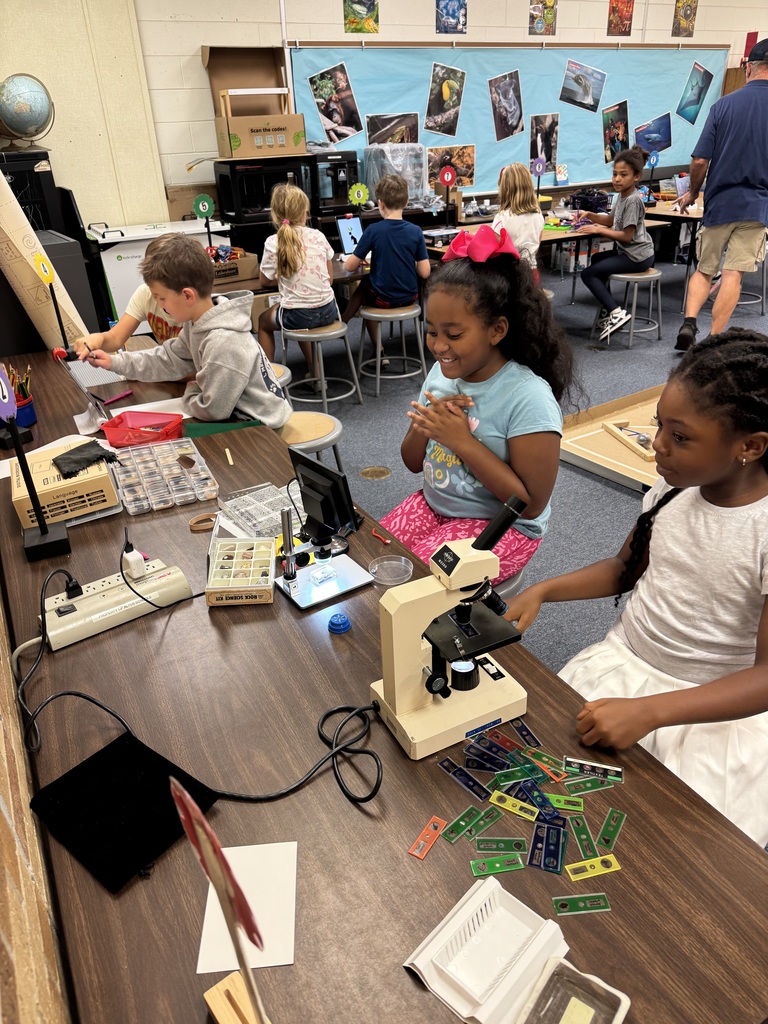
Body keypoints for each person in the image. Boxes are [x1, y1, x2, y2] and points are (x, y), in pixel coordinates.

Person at [503, 329, 768, 847]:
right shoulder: (672, 488)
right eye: (658, 425)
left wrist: (652, 711)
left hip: (708, 712)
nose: (658, 445)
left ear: (750, 446)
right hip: (621, 668)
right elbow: (625, 568)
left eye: (681, 437)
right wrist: (542, 591)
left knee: (667, 851)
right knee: (544, 802)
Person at [380, 225, 574, 584]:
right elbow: (412, 461)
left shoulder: (527, 396)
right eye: (432, 331)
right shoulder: (441, 375)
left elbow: (530, 505)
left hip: (504, 525)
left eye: (454, 334)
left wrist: (461, 441)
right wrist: (427, 426)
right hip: (436, 506)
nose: (439, 346)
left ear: (497, 330)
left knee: (413, 585)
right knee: (373, 558)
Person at [83, 232, 291, 428]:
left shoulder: (223, 341)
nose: (160, 305)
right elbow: (167, 359)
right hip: (237, 415)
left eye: (162, 298)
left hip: (260, 427)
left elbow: (213, 410)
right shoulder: (197, 324)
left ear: (187, 296)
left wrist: (192, 389)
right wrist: (115, 362)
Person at [675, 38, 768, 352]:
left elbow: (700, 160)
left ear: (748, 68)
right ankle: (713, 341)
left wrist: (693, 193)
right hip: (757, 207)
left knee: (705, 270)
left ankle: (689, 323)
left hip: (720, 203)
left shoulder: (723, 106)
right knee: (732, 275)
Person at [258, 182, 337, 380]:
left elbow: (264, 281)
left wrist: (286, 277)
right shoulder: (318, 236)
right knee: (301, 308)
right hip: (329, 311)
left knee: (263, 321)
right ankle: (316, 372)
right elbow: (330, 279)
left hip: (298, 315)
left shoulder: (273, 242)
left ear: (275, 215)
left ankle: (268, 380)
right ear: (304, 213)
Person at [342, 174, 431, 345]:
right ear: (406, 203)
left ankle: (376, 347)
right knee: (368, 284)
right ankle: (346, 324)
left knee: (365, 289)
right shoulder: (416, 231)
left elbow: (349, 267)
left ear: (380, 204)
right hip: (410, 298)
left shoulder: (373, 230)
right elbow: (425, 272)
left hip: (383, 300)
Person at [578, 144, 655, 342]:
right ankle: (607, 310)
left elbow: (626, 236)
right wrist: (590, 215)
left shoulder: (633, 200)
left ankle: (616, 312)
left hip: (638, 256)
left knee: (588, 274)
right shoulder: (622, 197)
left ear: (636, 177)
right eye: (615, 174)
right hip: (629, 252)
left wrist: (598, 230)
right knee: (597, 259)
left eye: (623, 175)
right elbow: (610, 220)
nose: (617, 179)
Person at [73, 234, 185, 357]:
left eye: (162, 298)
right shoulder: (145, 293)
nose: (159, 303)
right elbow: (116, 338)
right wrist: (99, 339)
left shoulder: (195, 315)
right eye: (155, 295)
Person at [492, 163, 545, 283]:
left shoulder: (502, 217)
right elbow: (535, 247)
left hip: (508, 275)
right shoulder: (538, 215)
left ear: (505, 188)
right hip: (531, 272)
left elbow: (496, 252)